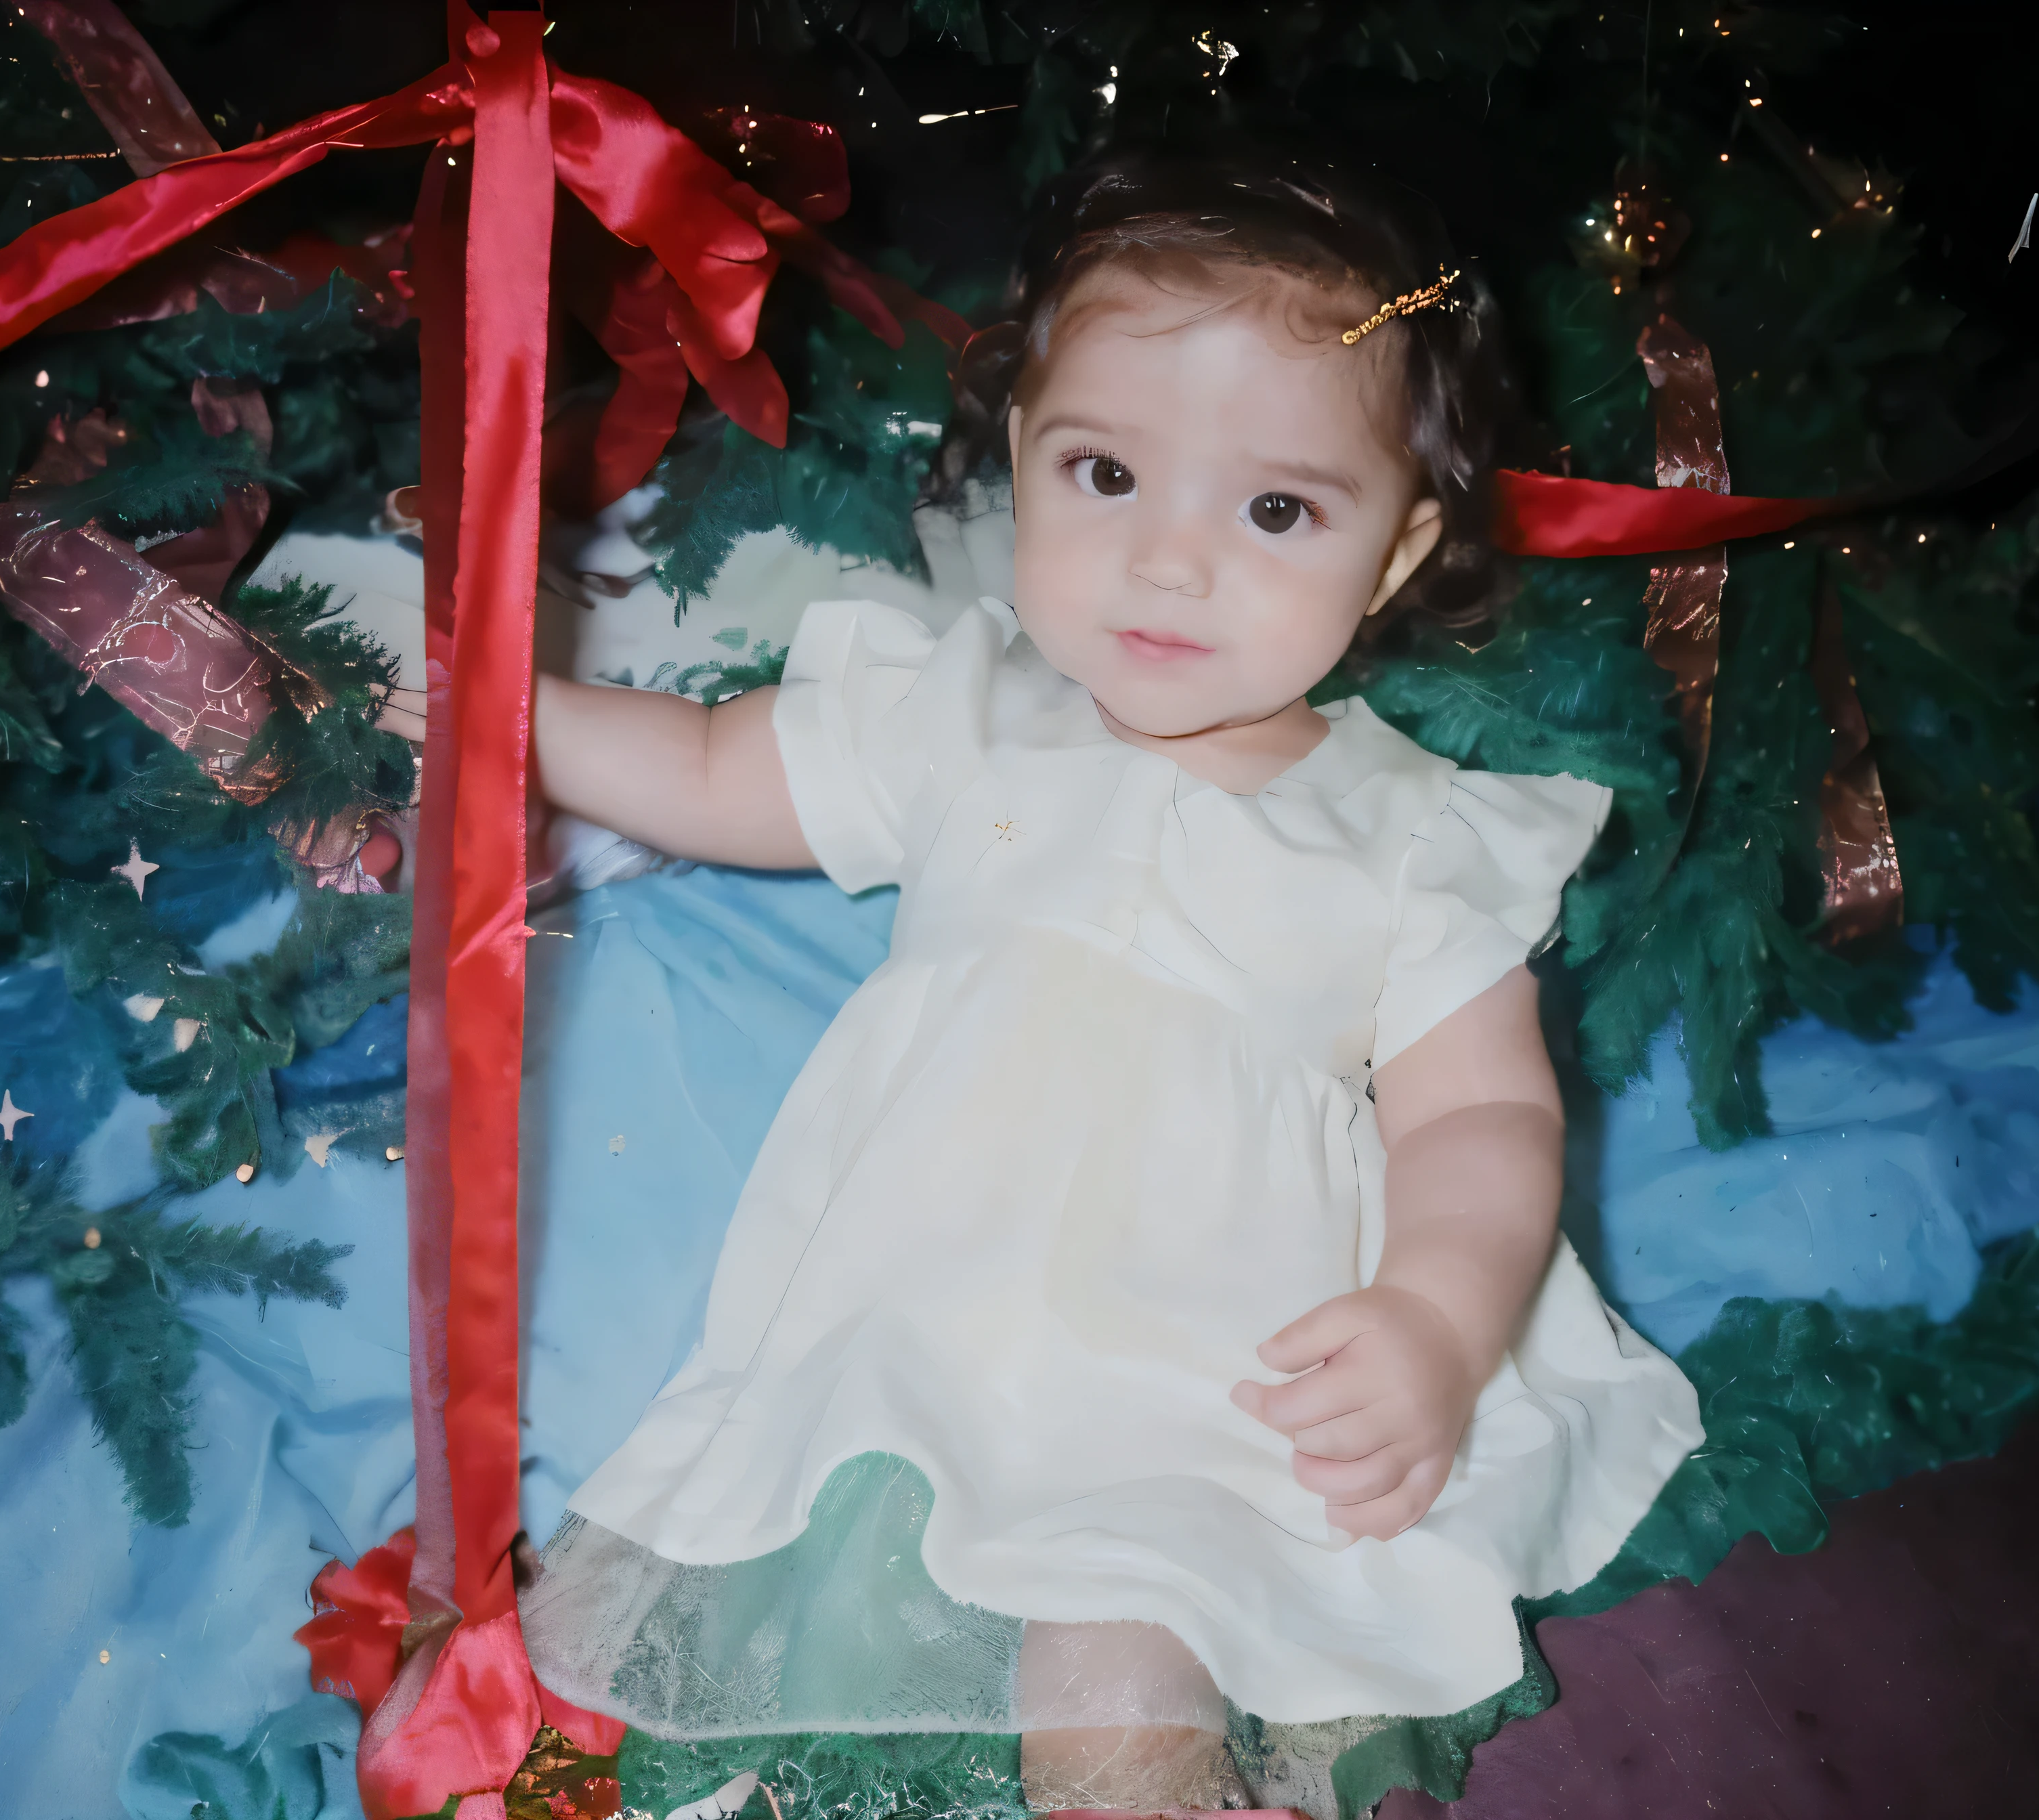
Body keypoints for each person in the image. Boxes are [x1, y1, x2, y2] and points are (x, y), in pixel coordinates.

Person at [519, 142, 1702, 1818]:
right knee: (859, 1569)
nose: (1166, 561)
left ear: (1389, 554)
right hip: (926, 1320)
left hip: (1208, 1366)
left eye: (1275, 509)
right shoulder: (961, 708)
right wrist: (524, 715)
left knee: (1123, 1643)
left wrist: (1437, 1320)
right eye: (1103, 476)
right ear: (1017, 462)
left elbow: (1482, 1115)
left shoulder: (1413, 835)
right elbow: (716, 774)